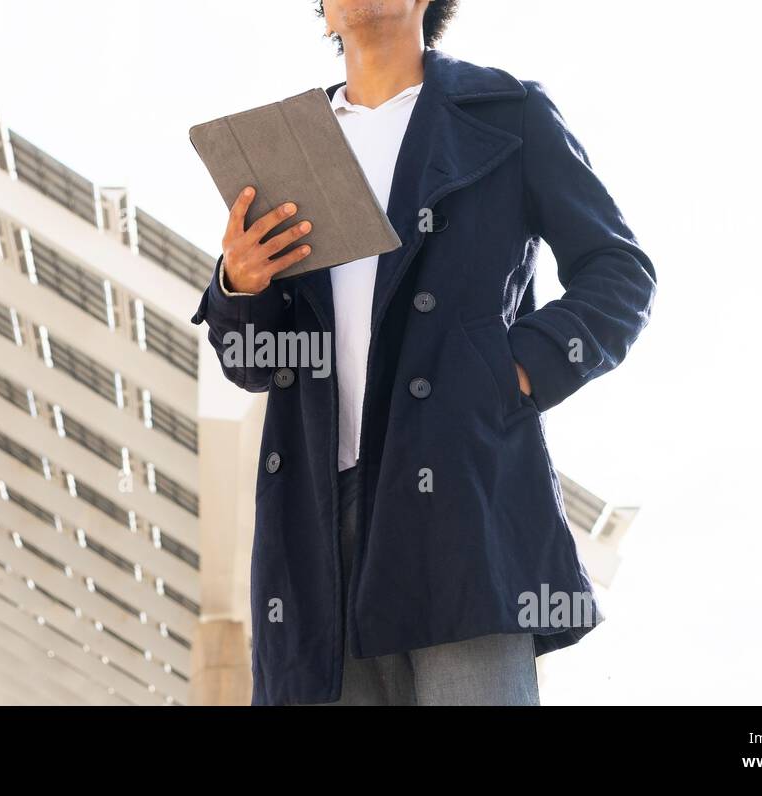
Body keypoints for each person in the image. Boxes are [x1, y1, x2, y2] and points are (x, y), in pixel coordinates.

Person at [189, 0, 656, 705]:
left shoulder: (506, 113)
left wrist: (512, 372)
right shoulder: (286, 147)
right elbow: (251, 361)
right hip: (317, 518)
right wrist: (239, 285)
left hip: (458, 497)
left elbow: (619, 272)